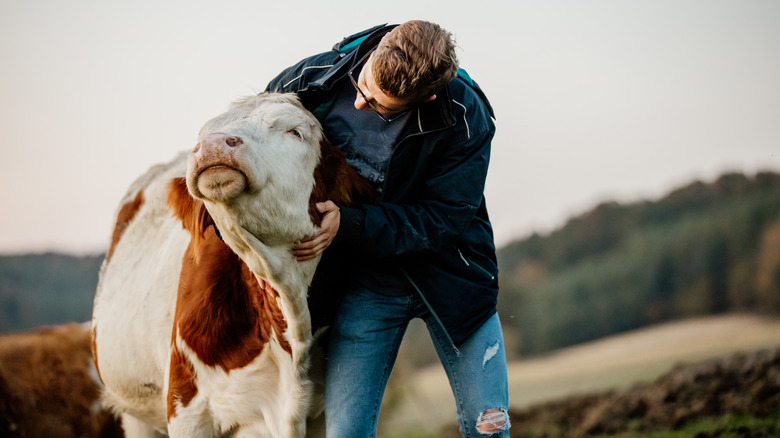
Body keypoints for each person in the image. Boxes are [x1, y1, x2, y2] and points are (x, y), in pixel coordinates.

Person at [265, 20, 510, 437]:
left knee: (489, 428)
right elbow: (255, 134)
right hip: (369, 283)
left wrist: (349, 224)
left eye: (380, 106)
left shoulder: (468, 116)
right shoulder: (314, 78)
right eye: (363, 85)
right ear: (376, 52)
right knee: (346, 434)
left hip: (454, 279)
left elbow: (442, 220)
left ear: (427, 98)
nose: (360, 103)